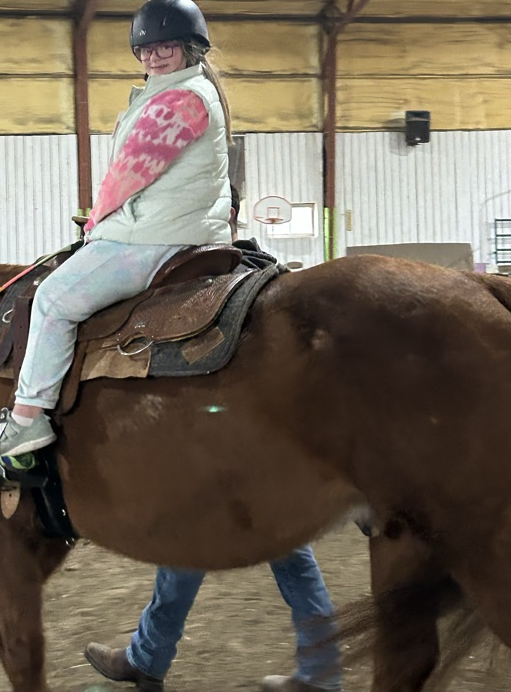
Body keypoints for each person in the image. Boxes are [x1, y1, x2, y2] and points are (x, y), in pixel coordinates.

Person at [83, 195, 343, 692]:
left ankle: (150, 660)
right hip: (259, 450)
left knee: (197, 545)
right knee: (254, 555)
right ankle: (319, 672)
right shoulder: (257, 269)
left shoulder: (204, 282)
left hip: (231, 450)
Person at [0, 0, 233, 467]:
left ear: (189, 49)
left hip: (153, 236)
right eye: (145, 49)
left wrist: (95, 221)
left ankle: (28, 419)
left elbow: (131, 173)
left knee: (52, 300)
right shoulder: (180, 91)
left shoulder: (181, 98)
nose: (153, 56)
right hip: (176, 225)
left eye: (165, 47)